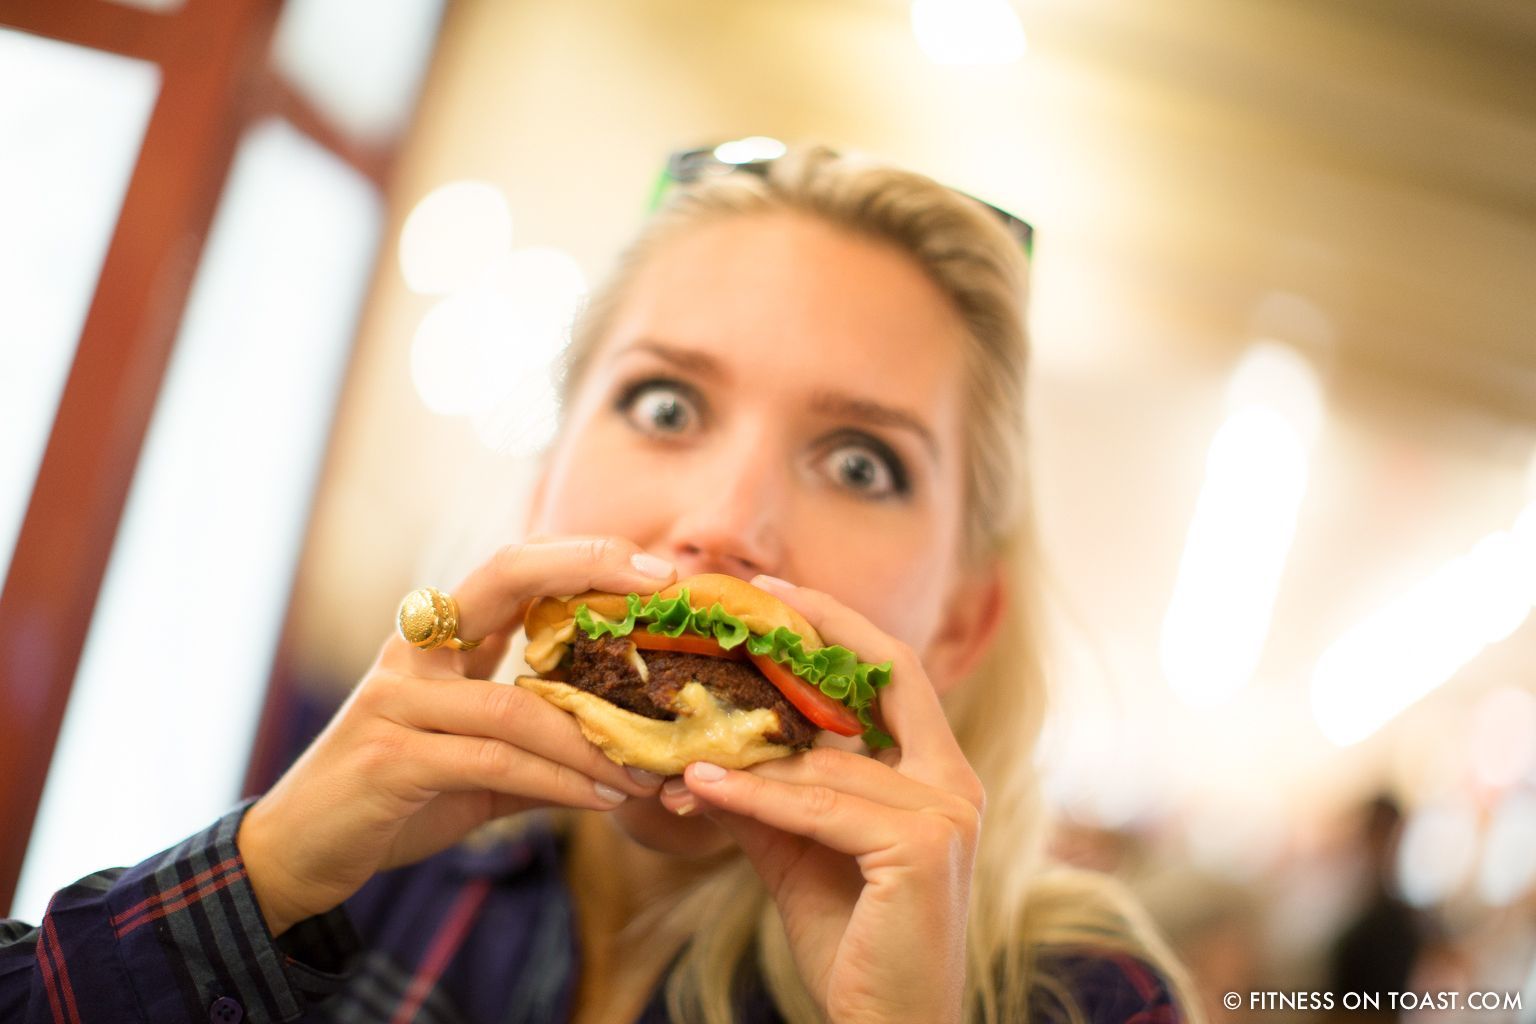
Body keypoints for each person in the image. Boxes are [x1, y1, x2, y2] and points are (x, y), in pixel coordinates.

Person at [1, 145, 1199, 1023]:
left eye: (861, 461)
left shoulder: (1087, 1000)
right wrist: (258, 877)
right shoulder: (356, 885)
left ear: (960, 622)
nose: (727, 526)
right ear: (543, 489)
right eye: (665, 403)